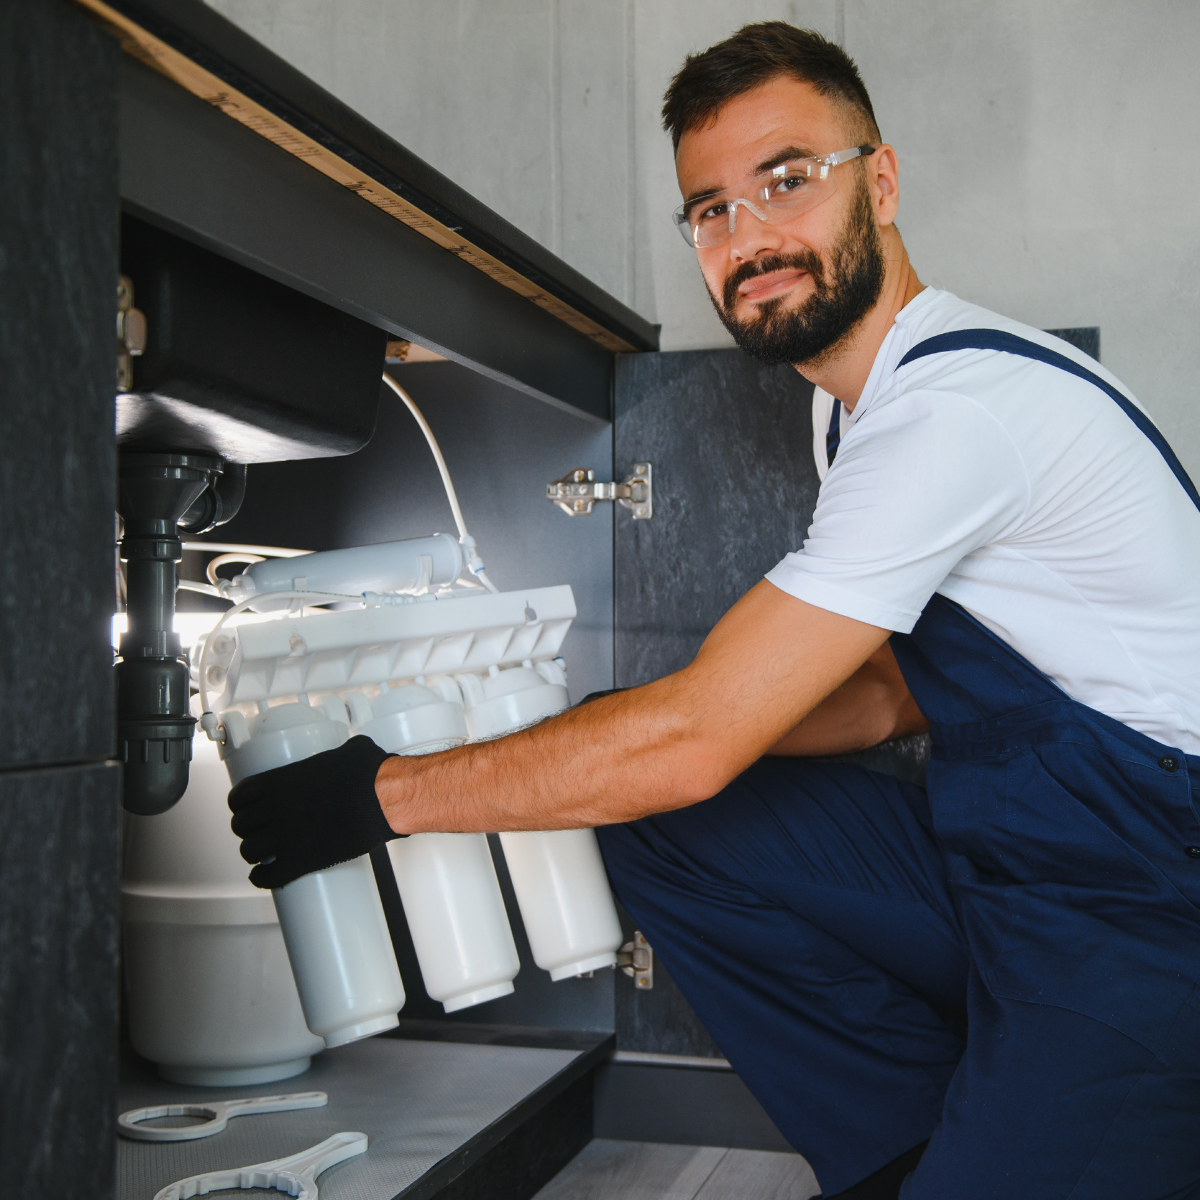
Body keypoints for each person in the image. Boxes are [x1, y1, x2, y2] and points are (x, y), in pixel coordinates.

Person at [228, 22, 1200, 1200]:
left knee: (667, 764)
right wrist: (613, 736)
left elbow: (697, 740)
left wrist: (380, 796)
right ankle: (919, 1154)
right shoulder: (853, 408)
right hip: (1015, 861)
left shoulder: (952, 413)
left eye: (788, 181)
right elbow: (897, 690)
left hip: (1148, 902)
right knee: (656, 809)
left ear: (880, 183)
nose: (748, 238)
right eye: (711, 210)